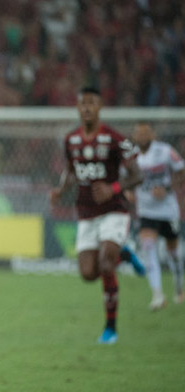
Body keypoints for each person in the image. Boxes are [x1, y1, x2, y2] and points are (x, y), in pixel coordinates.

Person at [49, 86, 142, 345]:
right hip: (86, 213)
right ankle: (124, 255)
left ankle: (110, 328)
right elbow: (70, 170)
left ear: (100, 107)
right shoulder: (71, 140)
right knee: (88, 273)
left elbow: (137, 175)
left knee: (105, 264)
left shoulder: (114, 138)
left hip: (113, 211)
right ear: (77, 108)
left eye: (92, 103)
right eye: (83, 103)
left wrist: (113, 188)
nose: (87, 107)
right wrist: (60, 189)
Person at [130, 122, 185, 309]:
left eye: (146, 133)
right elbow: (126, 178)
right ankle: (157, 294)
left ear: (152, 135)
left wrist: (168, 189)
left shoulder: (165, 151)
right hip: (146, 211)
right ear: (135, 136)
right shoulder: (131, 156)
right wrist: (128, 191)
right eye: (139, 133)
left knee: (173, 252)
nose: (143, 137)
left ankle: (179, 286)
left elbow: (181, 171)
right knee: (147, 246)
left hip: (167, 210)